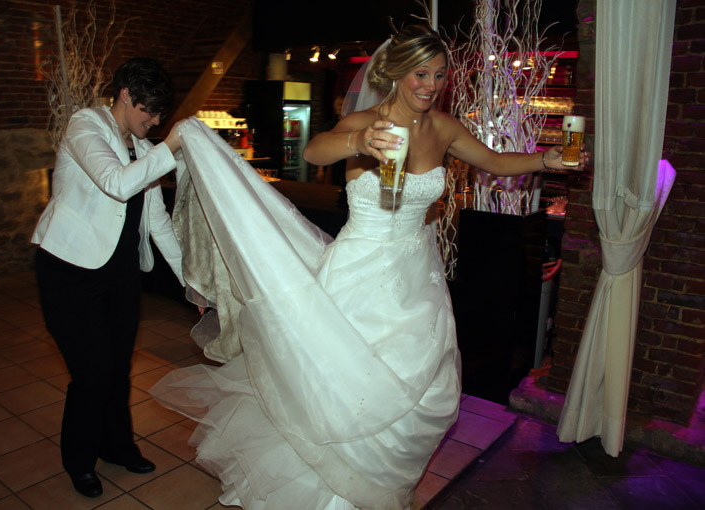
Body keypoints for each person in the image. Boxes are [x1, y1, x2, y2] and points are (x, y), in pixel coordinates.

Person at [152, 23, 587, 510]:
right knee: (344, 384)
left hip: (417, 277)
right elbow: (316, 149)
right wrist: (360, 141)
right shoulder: (366, 123)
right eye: (420, 73)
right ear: (397, 73)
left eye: (439, 75)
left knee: (418, 390)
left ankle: (378, 487)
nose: (430, 84)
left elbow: (495, 161)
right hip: (360, 271)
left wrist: (546, 160)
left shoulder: (443, 128)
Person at [32, 57, 187, 498]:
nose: (154, 121)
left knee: (118, 369)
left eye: (159, 115)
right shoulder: (85, 126)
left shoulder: (142, 147)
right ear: (124, 95)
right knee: (93, 373)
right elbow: (116, 183)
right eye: (148, 111)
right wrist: (170, 147)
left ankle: (117, 447)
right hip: (69, 269)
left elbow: (157, 222)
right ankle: (79, 461)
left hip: (120, 272)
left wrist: (187, 281)